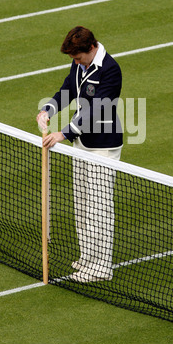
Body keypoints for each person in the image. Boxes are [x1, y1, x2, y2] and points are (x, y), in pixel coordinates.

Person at [37, 26, 123, 283]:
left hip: (103, 146)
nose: (74, 62)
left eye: (77, 57)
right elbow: (67, 91)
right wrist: (48, 110)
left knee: (99, 206)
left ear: (91, 48)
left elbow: (96, 110)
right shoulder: (80, 65)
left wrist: (64, 133)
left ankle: (101, 267)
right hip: (83, 144)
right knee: (83, 203)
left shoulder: (110, 70)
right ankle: (88, 257)